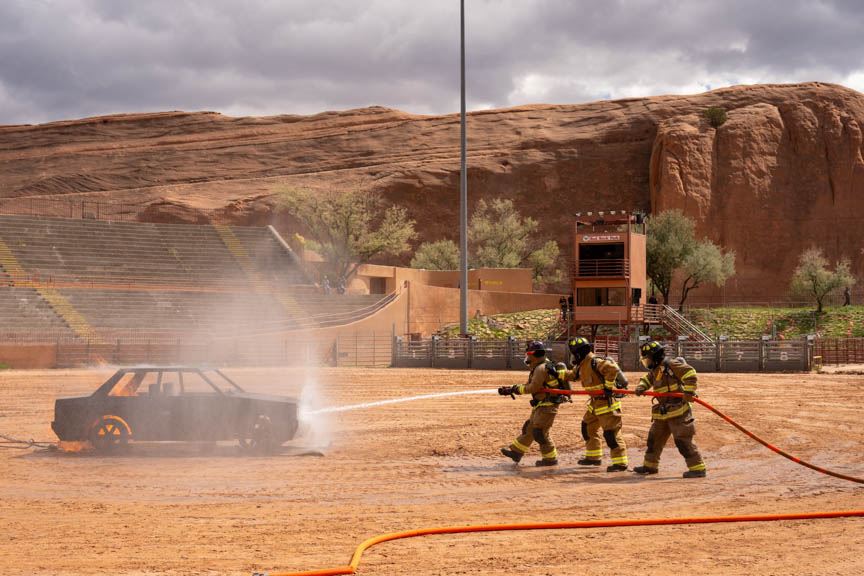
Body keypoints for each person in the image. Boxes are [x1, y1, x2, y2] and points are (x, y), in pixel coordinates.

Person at [633, 340, 707, 478]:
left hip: (679, 411)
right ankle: (650, 466)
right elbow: (647, 379)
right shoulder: (656, 369)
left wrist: (689, 392)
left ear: (654, 357)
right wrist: (641, 387)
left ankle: (697, 468)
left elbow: (690, 373)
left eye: (647, 359)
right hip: (662, 412)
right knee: (654, 439)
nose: (646, 362)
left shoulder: (671, 365)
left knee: (682, 440)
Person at [498, 341, 568, 467]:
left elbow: (533, 388)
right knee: (529, 428)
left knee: (540, 432)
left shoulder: (541, 368)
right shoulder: (540, 366)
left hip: (548, 406)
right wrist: (512, 389)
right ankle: (516, 452)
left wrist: (515, 389)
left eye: (529, 355)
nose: (527, 358)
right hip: (541, 404)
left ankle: (550, 459)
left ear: (533, 355)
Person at [564, 337, 629, 472]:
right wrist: (556, 372)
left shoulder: (595, 361)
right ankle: (593, 457)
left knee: (611, 434)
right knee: (587, 428)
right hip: (595, 404)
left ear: (578, 353)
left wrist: (608, 387)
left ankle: (620, 463)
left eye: (574, 353)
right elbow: (572, 375)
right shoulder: (582, 365)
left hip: (608, 404)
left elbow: (613, 370)